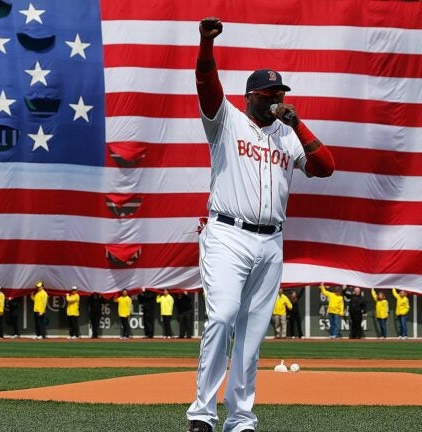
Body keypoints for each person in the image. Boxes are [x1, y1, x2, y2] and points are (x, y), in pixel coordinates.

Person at [187, 17, 336, 432]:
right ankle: (201, 414)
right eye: (270, 93)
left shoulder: (288, 135)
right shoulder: (227, 121)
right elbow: (205, 81)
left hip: (271, 243)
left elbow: (326, 168)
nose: (277, 98)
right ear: (251, 96)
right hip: (227, 234)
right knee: (222, 317)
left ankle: (240, 418)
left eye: (281, 92)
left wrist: (297, 124)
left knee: (251, 336)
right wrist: (205, 43)